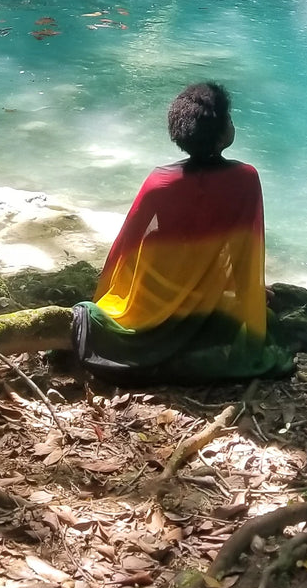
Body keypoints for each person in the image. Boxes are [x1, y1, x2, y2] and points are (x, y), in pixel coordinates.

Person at [72, 82, 292, 382]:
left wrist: (105, 297)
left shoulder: (159, 181)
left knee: (102, 317)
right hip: (204, 291)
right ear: (220, 136)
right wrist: (250, 295)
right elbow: (245, 249)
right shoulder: (245, 179)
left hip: (155, 291)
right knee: (260, 323)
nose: (231, 124)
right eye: (228, 119)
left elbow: (125, 250)